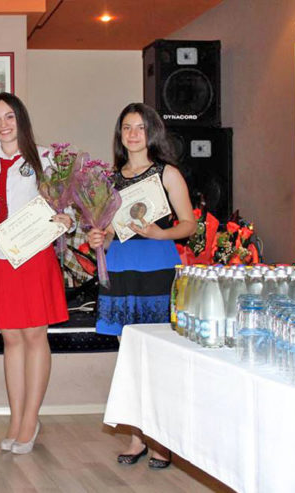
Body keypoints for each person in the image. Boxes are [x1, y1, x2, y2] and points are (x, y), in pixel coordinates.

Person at [87, 102, 196, 468]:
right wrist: (98, 238)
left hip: (157, 266)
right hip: (120, 268)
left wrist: (159, 232)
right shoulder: (108, 179)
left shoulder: (167, 174)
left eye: (140, 127)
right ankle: (137, 437)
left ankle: (161, 440)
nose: (133, 134)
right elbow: (106, 230)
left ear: (152, 132)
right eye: (127, 128)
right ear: (119, 135)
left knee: (158, 357)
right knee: (129, 358)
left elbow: (189, 224)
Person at [0, 92, 73, 454]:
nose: (3, 125)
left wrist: (67, 219)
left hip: (33, 255)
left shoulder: (46, 158)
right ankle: (16, 418)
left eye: (9, 117)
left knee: (34, 335)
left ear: (21, 119)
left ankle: (30, 419)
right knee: (10, 339)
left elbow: (65, 207)